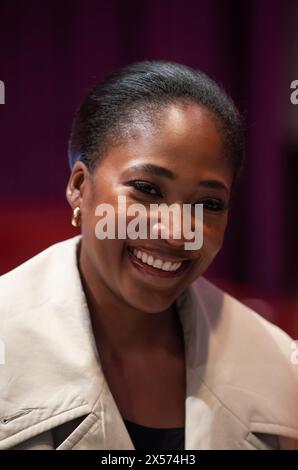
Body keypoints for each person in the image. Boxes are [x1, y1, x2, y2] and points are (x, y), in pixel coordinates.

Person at [0, 61, 297, 451]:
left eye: (208, 203)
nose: (176, 232)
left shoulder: (281, 371)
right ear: (79, 186)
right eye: (147, 189)